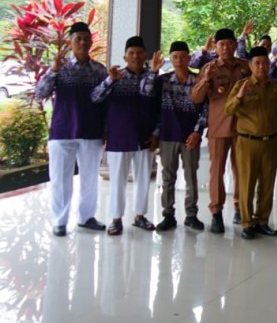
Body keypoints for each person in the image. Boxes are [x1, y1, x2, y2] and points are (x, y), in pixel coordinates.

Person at [35, 21, 108, 236]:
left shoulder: (99, 70)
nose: (82, 42)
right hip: (62, 131)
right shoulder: (60, 67)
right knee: (60, 179)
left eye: (86, 39)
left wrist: (105, 128)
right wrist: (53, 71)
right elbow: (40, 93)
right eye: (78, 39)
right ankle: (59, 221)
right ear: (70, 42)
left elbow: (105, 101)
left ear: (91, 42)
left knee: (89, 178)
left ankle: (86, 218)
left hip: (91, 132)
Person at [91, 35, 160, 235]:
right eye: (131, 53)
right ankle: (116, 219)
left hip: (145, 138)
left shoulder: (154, 78)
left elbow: (159, 108)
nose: (136, 56)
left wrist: (156, 133)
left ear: (145, 55)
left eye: (139, 53)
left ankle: (140, 216)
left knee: (143, 180)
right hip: (119, 138)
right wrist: (109, 80)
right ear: (125, 56)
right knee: (118, 181)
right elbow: (95, 98)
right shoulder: (115, 76)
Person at [191, 28, 251, 233]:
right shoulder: (209, 68)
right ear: (215, 47)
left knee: (242, 170)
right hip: (219, 126)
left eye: (229, 43)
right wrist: (207, 80)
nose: (225, 48)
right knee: (216, 171)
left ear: (235, 45)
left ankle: (239, 207)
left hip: (243, 126)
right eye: (221, 44)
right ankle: (216, 213)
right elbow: (196, 98)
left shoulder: (246, 67)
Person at [224, 46, 277, 239]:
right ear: (250, 66)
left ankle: (262, 221)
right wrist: (240, 96)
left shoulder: (275, 86)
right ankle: (246, 222)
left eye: (265, 63)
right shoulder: (242, 85)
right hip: (247, 142)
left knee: (267, 185)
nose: (261, 67)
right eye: (257, 63)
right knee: (247, 184)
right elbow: (228, 110)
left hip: (270, 142)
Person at [145, 42, 207, 231]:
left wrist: (198, 132)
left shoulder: (199, 80)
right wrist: (153, 72)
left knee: (191, 177)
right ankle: (168, 215)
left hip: (190, 137)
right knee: (167, 177)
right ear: (170, 60)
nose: (179, 60)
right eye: (175, 57)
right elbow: (145, 93)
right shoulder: (162, 80)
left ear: (189, 58)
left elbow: (206, 109)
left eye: (183, 56)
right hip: (168, 136)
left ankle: (191, 215)